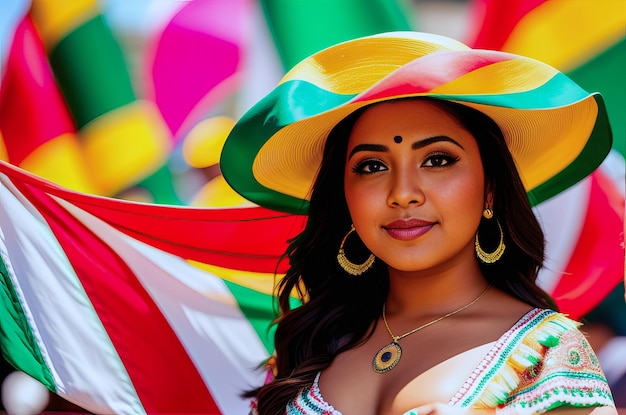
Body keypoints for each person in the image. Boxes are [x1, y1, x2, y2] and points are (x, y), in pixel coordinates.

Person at [219, 32, 618, 415]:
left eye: (438, 160)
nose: (403, 193)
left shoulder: (545, 351)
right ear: (344, 195)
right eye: (372, 166)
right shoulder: (310, 342)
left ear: (490, 188)